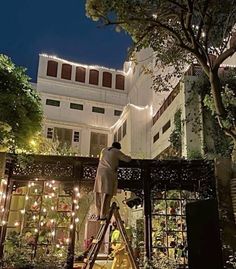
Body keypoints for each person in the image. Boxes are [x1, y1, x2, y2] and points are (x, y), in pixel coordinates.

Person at [94, 142, 131, 220]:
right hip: (108, 174)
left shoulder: (104, 150)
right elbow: (127, 159)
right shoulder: (117, 151)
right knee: (106, 195)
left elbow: (100, 159)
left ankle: (97, 214)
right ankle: (103, 215)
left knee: (98, 193)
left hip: (99, 173)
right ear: (118, 148)